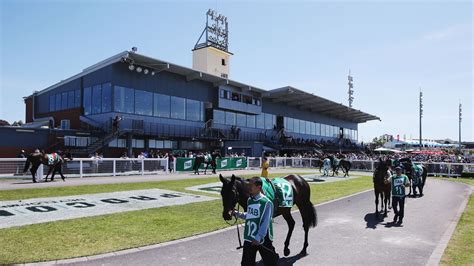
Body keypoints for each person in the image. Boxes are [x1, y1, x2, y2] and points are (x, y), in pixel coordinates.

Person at [232, 177, 279, 266]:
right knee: (246, 264)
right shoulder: (250, 200)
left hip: (263, 239)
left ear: (259, 187)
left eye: (251, 185)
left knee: (270, 263)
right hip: (249, 238)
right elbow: (250, 216)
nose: (249, 187)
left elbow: (265, 222)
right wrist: (237, 213)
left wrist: (258, 237)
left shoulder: (266, 202)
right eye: (249, 185)